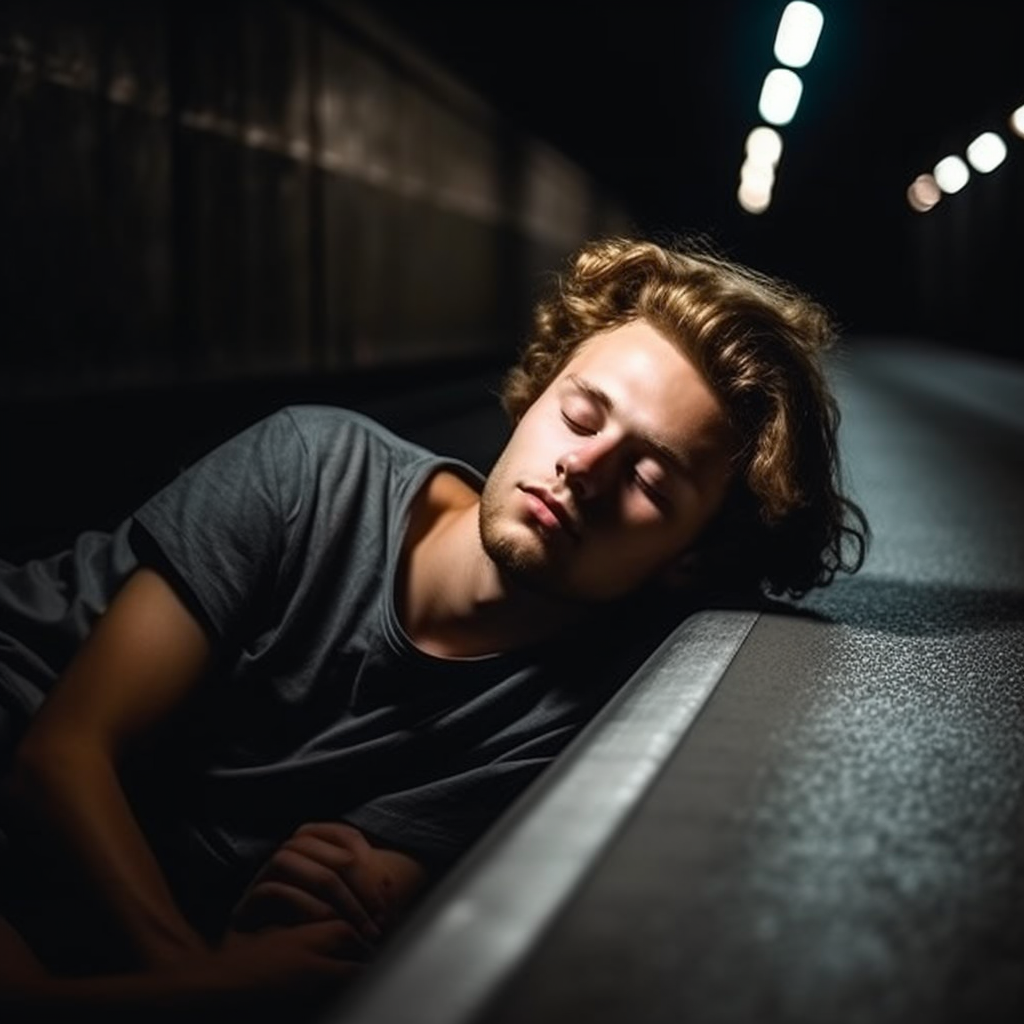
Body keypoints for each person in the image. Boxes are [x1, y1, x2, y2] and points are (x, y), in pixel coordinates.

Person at [0, 235, 868, 1019]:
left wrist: (310, 917)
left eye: (649, 478)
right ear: (536, 394)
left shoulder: (585, 723)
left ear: (687, 558)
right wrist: (196, 984)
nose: (584, 470)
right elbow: (63, 752)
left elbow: (327, 916)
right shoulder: (310, 468)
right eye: (580, 412)